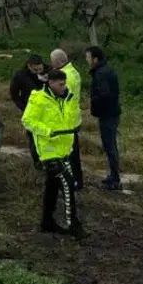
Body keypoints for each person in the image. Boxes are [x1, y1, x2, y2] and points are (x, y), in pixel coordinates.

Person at [22, 69, 86, 238]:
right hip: (48, 150)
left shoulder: (68, 97)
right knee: (68, 183)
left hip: (64, 148)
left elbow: (72, 117)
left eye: (64, 83)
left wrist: (77, 124)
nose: (63, 87)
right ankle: (73, 225)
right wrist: (47, 131)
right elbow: (27, 121)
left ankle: (47, 221)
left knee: (52, 186)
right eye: (60, 84)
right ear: (50, 83)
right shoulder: (39, 99)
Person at [85, 46, 122, 191]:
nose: (87, 60)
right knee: (110, 146)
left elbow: (105, 95)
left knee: (110, 147)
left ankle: (115, 179)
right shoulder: (104, 70)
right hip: (111, 113)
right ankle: (113, 176)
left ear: (95, 59)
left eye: (88, 57)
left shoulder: (101, 73)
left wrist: (92, 101)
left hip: (108, 115)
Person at [51, 48, 84, 191]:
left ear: (59, 62)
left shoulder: (65, 76)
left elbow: (60, 96)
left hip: (66, 120)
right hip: (74, 118)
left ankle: (73, 181)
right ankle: (77, 180)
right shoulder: (74, 72)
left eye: (53, 63)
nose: (52, 65)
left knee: (69, 154)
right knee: (73, 153)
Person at [9, 53, 47, 168]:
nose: (38, 71)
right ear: (29, 66)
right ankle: (37, 162)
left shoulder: (48, 71)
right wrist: (23, 107)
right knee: (33, 137)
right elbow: (14, 94)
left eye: (40, 69)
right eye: (35, 70)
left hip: (48, 110)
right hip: (30, 110)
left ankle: (48, 159)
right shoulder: (20, 76)